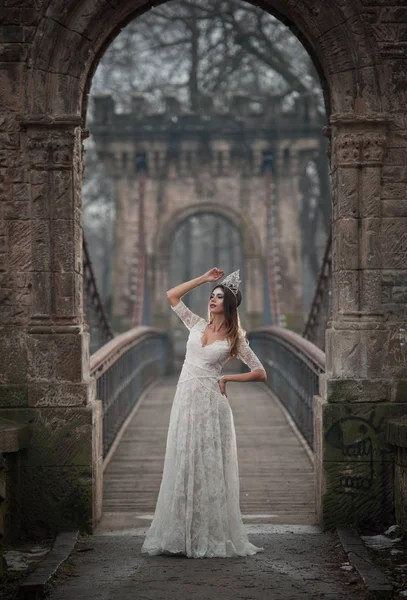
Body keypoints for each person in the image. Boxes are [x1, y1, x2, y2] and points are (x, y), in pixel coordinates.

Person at [141, 267, 267, 559]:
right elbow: (172, 295)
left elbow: (261, 372)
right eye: (211, 296)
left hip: (211, 403)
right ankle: (180, 533)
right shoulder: (196, 324)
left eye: (219, 296)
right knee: (184, 458)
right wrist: (203, 280)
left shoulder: (237, 338)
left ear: (230, 304)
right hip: (185, 399)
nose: (212, 299)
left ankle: (206, 533)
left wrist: (227, 379)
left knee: (207, 465)